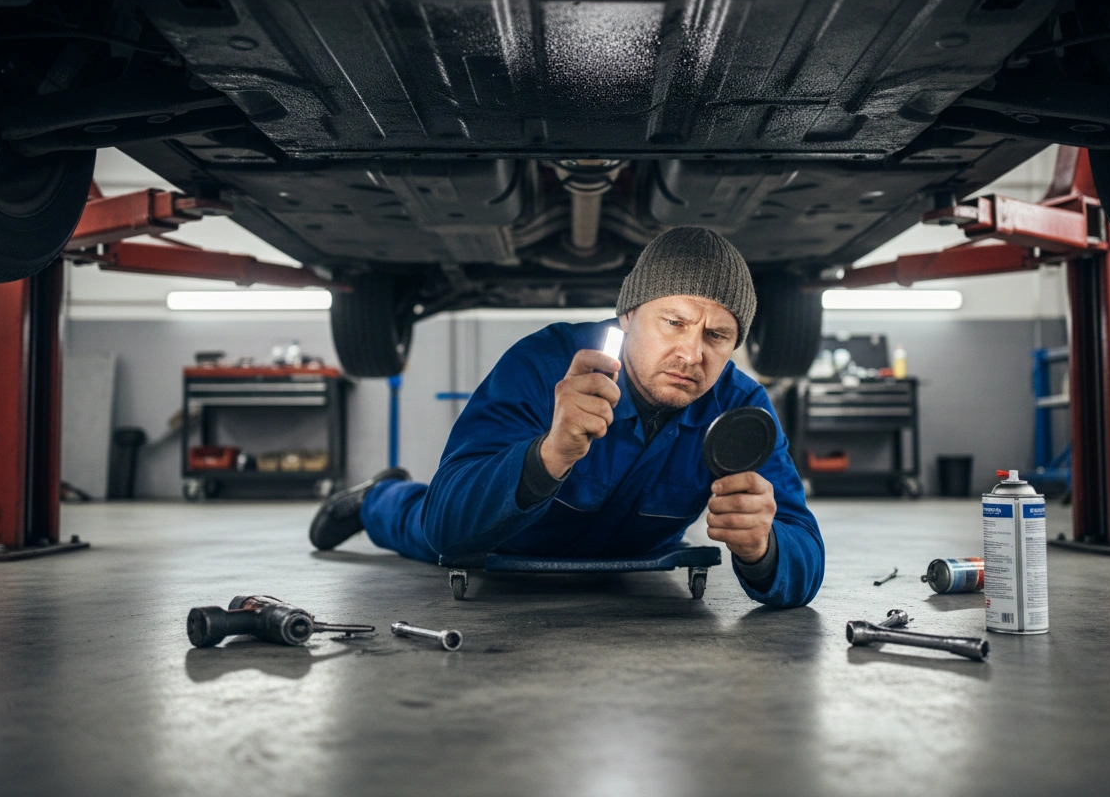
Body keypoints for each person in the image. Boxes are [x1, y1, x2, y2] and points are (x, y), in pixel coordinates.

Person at [310, 227, 824, 608]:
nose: (692, 354)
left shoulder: (741, 406)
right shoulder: (544, 364)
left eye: (717, 336)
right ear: (628, 315)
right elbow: (449, 523)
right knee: (419, 521)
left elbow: (802, 542)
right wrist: (549, 453)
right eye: (674, 322)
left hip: (640, 551)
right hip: (503, 537)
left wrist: (765, 547)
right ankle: (376, 496)